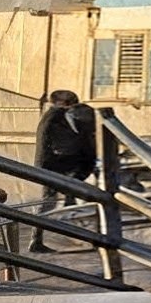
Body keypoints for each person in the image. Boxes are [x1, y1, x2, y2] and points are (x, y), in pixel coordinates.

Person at [32, 90, 97, 252]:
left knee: (63, 201)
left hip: (56, 166)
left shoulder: (52, 116)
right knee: (50, 202)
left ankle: (80, 237)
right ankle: (36, 240)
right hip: (57, 167)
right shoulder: (56, 117)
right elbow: (66, 143)